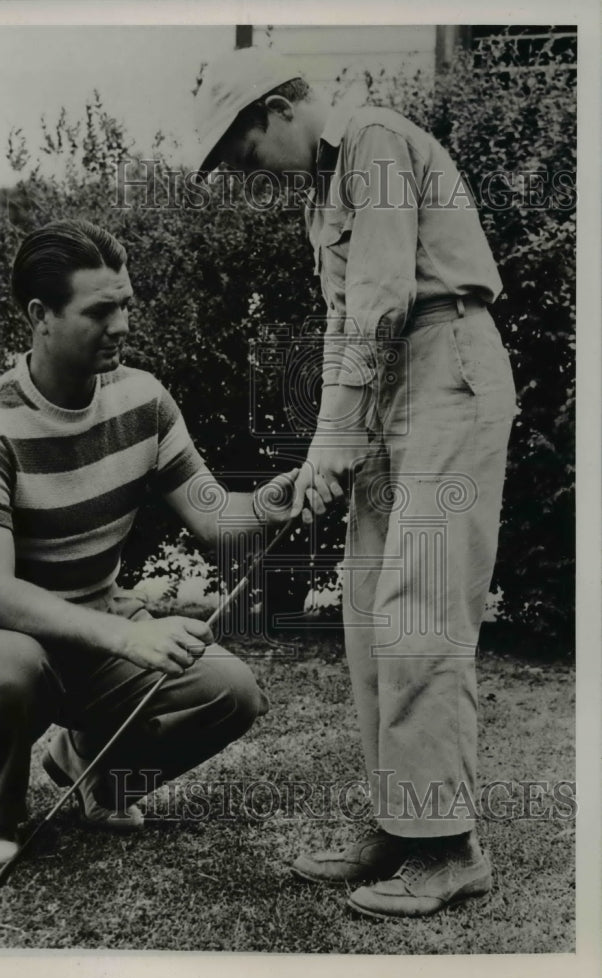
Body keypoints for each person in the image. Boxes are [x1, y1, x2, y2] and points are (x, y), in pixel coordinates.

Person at [192, 47, 517, 918]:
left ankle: (449, 849)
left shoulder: (372, 140)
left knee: (422, 605)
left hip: (448, 369)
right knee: (372, 607)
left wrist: (338, 431)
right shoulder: (320, 190)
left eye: (238, 147)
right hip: (390, 391)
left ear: (274, 110)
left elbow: (379, 300)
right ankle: (397, 823)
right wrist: (329, 446)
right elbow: (351, 328)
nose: (241, 168)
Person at [0, 218, 298, 865]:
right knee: (9, 668)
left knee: (229, 690)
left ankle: (96, 771)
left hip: (95, 624)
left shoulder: (145, 400)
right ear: (41, 315)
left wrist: (270, 502)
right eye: (100, 310)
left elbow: (215, 520)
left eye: (126, 305)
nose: (122, 325)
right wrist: (129, 637)